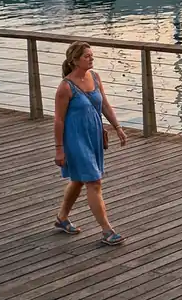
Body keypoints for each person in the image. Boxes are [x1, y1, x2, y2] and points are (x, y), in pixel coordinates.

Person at [53, 42, 127, 246]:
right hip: (75, 139)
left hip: (93, 136)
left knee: (79, 179)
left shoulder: (94, 77)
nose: (91, 59)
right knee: (94, 181)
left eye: (91, 56)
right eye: (87, 56)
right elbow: (58, 120)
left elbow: (104, 104)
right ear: (74, 60)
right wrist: (59, 149)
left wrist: (117, 127)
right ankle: (107, 231)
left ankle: (62, 218)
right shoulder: (65, 87)